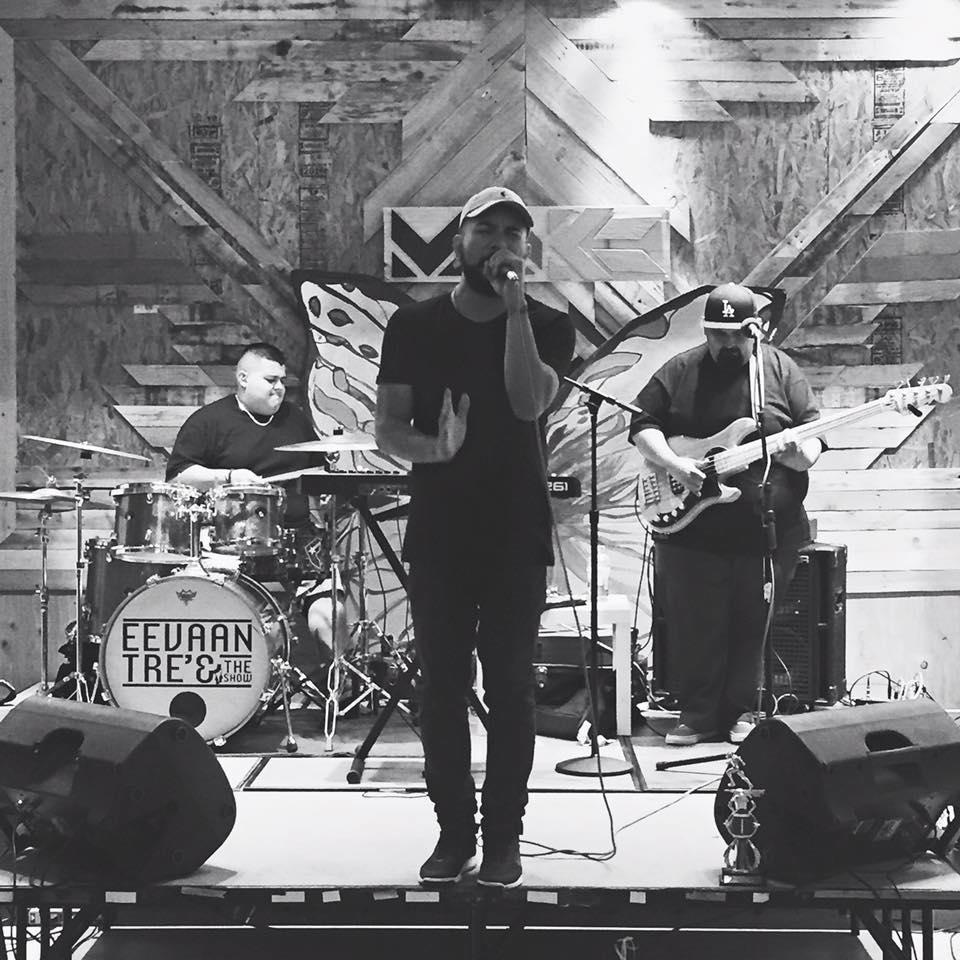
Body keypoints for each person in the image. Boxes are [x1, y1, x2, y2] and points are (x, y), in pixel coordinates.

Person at [375, 186, 575, 888]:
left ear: (528, 249)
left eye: (513, 235)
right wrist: (434, 449)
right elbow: (388, 428)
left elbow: (527, 402)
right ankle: (454, 831)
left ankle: (503, 836)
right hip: (442, 528)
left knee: (513, 687)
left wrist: (516, 309)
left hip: (516, 528)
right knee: (442, 688)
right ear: (459, 242)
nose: (500, 244)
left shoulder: (549, 324)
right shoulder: (415, 326)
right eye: (486, 231)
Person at [629, 283, 824, 746]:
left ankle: (745, 712)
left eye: (737, 335)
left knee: (753, 626)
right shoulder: (681, 369)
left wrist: (801, 455)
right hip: (691, 531)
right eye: (718, 334)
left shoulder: (779, 370)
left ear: (754, 330)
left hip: (767, 531)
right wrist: (677, 465)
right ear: (706, 331)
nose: (728, 343)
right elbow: (641, 425)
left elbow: (813, 435)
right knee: (696, 626)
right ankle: (697, 716)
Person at [166, 342, 352, 669]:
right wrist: (229, 476)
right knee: (232, 615)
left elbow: (316, 474)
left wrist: (327, 495)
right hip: (231, 543)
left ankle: (338, 686)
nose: (279, 387)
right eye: (270, 380)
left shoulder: (295, 419)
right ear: (242, 378)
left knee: (331, 612)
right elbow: (178, 476)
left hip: (297, 539)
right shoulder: (209, 421)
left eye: (282, 381)